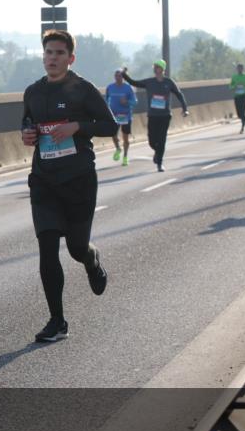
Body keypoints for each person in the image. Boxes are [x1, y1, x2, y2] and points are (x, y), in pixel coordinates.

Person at [21, 30, 117, 342]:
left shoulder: (83, 90)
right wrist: (27, 135)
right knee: (47, 249)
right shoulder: (33, 92)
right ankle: (57, 321)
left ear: (70, 58)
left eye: (60, 53)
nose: (53, 58)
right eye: (49, 52)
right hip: (44, 181)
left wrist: (77, 126)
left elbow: (110, 124)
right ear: (43, 55)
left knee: (76, 248)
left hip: (78, 181)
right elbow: (27, 125)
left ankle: (91, 259)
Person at [121, 60, 188, 172]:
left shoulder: (169, 82)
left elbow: (179, 94)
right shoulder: (149, 82)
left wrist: (185, 109)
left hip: (165, 116)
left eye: (157, 67)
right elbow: (134, 83)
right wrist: (124, 75)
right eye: (154, 67)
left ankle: (159, 164)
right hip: (152, 116)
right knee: (152, 141)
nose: (155, 69)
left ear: (162, 69)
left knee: (161, 140)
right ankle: (157, 152)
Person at [105, 68, 137, 166]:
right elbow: (106, 100)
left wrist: (127, 102)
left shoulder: (128, 88)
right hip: (114, 116)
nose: (118, 78)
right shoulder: (110, 87)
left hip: (125, 116)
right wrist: (107, 110)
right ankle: (118, 149)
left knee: (125, 138)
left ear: (123, 77)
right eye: (116, 76)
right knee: (113, 135)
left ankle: (125, 157)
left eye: (120, 76)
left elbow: (135, 102)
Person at [229, 63, 245, 133]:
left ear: (243, 69)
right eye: (238, 68)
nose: (240, 69)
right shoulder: (234, 77)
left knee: (243, 111)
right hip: (237, 96)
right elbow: (230, 86)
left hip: (244, 96)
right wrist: (235, 86)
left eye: (241, 68)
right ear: (237, 69)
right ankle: (243, 118)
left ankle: (243, 125)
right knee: (239, 113)